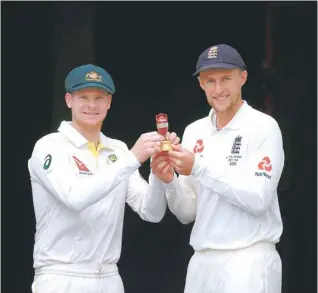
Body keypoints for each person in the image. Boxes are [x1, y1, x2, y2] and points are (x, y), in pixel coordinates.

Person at [28, 64, 179, 293]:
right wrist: (132, 158)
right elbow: (75, 197)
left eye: (99, 98)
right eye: (83, 97)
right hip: (61, 275)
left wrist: (158, 175)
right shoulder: (50, 146)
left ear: (109, 102)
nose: (91, 105)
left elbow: (152, 213)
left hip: (109, 277)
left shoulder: (117, 150)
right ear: (69, 100)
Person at [151, 44, 285, 293]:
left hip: (249, 259)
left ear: (242, 78)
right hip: (203, 260)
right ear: (201, 84)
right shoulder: (195, 131)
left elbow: (258, 198)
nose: (218, 89)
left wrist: (199, 168)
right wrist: (169, 181)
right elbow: (187, 212)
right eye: (210, 81)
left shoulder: (263, 127)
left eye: (226, 79)